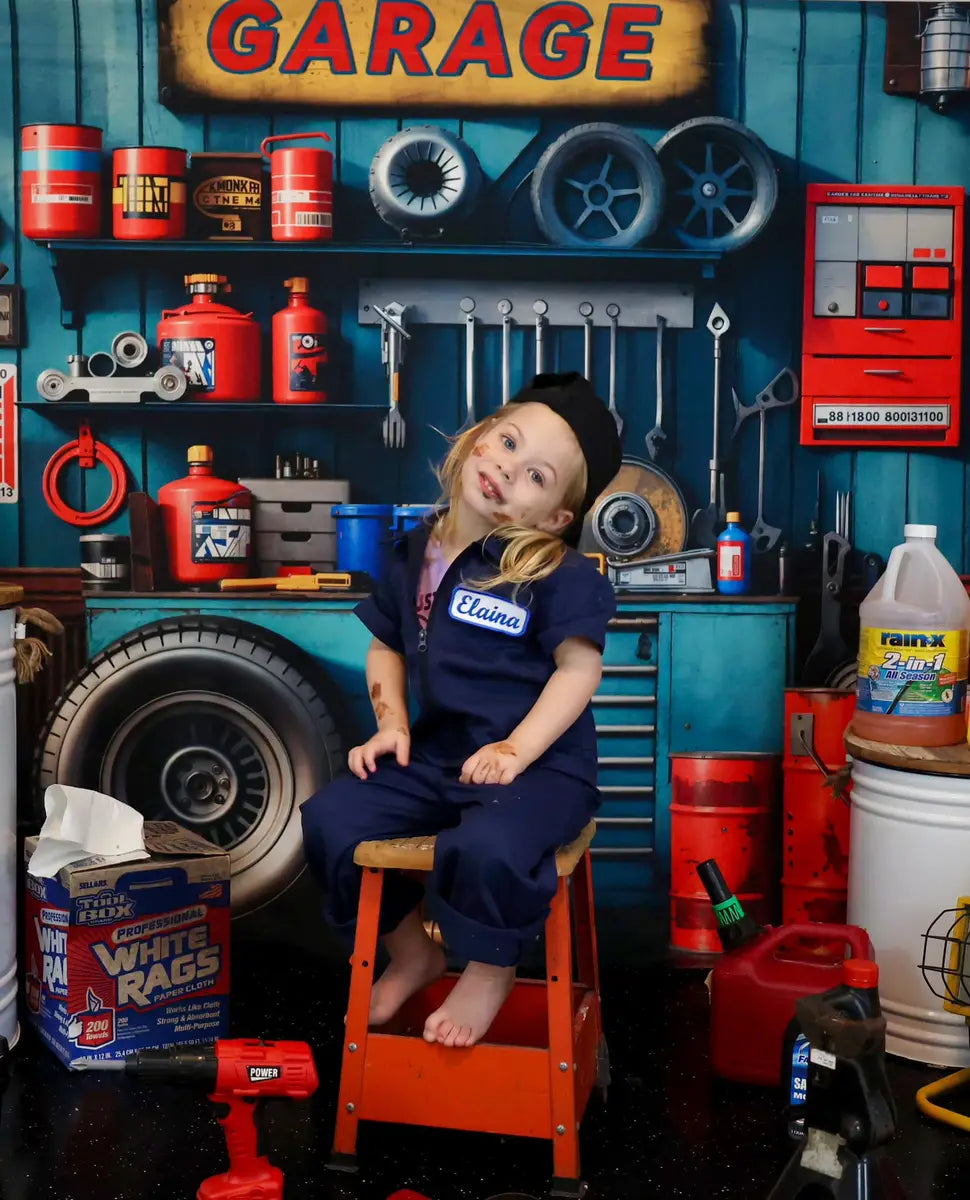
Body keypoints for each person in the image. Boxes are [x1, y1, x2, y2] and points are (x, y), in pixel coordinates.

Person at [302, 371, 622, 1049]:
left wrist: (517, 751)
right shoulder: (414, 552)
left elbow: (579, 670)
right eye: (506, 442)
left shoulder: (558, 575)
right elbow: (385, 646)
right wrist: (392, 725)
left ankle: (490, 966)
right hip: (442, 756)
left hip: (544, 772)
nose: (507, 467)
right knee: (331, 818)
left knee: (487, 845)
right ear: (478, 439)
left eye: (536, 475)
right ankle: (416, 952)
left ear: (555, 519)